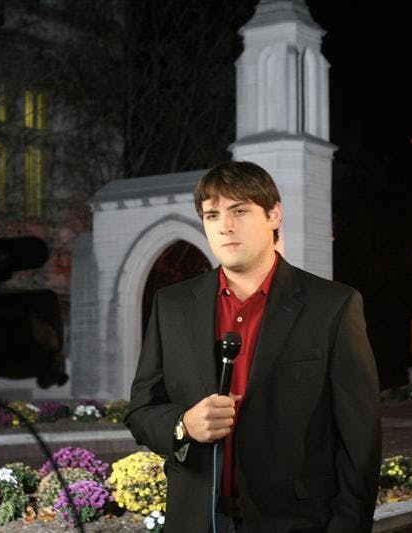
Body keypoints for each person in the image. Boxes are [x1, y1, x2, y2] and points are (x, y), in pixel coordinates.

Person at [126, 161, 381, 533]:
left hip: (296, 523)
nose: (224, 226)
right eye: (212, 215)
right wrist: (184, 425)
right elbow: (141, 410)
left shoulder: (333, 306)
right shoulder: (172, 305)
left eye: (240, 211)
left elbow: (361, 439)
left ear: (274, 214)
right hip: (195, 521)